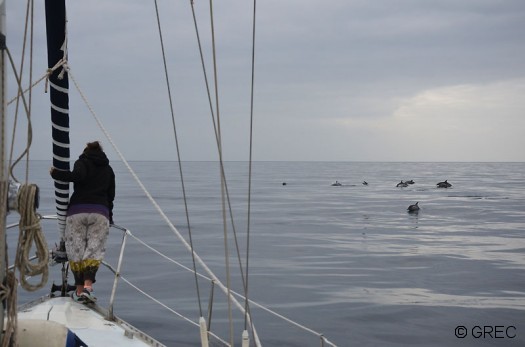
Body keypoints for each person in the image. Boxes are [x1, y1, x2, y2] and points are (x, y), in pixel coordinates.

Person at [50, 141, 115, 303]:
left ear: (86, 151)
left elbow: (76, 176)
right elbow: (110, 196)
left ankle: (79, 291)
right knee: (94, 248)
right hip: (100, 212)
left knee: (75, 249)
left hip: (77, 211)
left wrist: (55, 173)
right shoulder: (108, 170)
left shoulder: (82, 162)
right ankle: (87, 288)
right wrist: (110, 216)